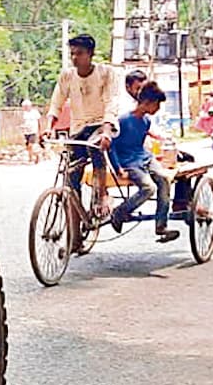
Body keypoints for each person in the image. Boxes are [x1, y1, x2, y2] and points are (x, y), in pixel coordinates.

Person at [45, 34, 126, 216]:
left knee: (96, 147)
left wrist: (106, 132)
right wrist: (48, 127)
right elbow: (56, 103)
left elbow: (111, 102)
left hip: (101, 124)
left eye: (79, 53)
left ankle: (101, 195)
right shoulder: (67, 76)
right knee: (71, 173)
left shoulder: (106, 73)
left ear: (90, 54)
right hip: (78, 128)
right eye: (72, 53)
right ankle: (76, 219)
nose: (74, 58)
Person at [108, 82, 179, 242]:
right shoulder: (123, 121)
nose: (158, 108)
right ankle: (120, 211)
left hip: (144, 157)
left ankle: (161, 225)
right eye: (157, 104)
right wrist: (117, 167)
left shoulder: (146, 121)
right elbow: (112, 147)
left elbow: (141, 144)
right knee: (149, 188)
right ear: (147, 102)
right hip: (129, 162)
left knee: (164, 179)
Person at [21, 99, 42, 163]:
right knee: (28, 147)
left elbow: (39, 122)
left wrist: (40, 130)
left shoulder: (35, 112)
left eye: (26, 106)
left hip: (33, 131)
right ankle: (35, 156)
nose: (25, 108)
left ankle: (31, 158)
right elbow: (25, 122)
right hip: (26, 132)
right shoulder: (25, 113)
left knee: (31, 145)